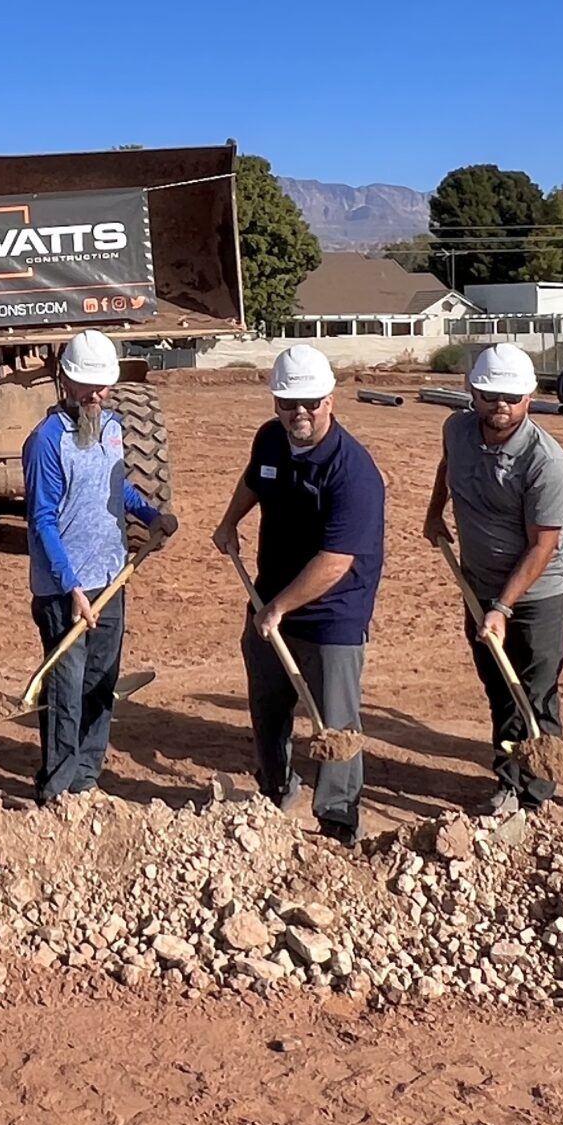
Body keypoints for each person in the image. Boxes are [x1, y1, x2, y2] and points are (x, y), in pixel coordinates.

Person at [212, 343, 382, 842]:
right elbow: (255, 480)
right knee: (268, 705)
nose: (300, 412)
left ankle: (336, 818)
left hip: (333, 612)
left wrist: (280, 607)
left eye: (310, 402)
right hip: (269, 599)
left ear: (330, 399)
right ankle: (274, 792)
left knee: (335, 724)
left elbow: (336, 561)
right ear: (275, 403)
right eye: (289, 403)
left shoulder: (353, 472)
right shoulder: (270, 439)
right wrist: (229, 522)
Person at [423, 343, 563, 814]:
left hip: (537, 597)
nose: (499, 405)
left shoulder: (546, 464)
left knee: (534, 692)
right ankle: (508, 779)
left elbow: (542, 546)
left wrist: (503, 607)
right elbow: (448, 465)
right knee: (499, 689)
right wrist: (434, 513)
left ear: (529, 397)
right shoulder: (458, 429)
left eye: (510, 396)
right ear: (473, 392)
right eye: (489, 395)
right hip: (478, 586)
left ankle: (535, 793)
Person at [23, 331, 173, 804]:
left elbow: (117, 490)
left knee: (100, 684)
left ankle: (87, 778)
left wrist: (151, 515)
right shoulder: (46, 441)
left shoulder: (111, 427)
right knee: (65, 691)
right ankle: (57, 788)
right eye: (88, 386)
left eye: (103, 387)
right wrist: (71, 589)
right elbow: (42, 519)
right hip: (64, 591)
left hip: (111, 581)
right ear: (64, 380)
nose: (97, 395)